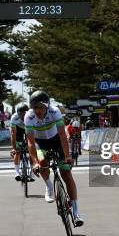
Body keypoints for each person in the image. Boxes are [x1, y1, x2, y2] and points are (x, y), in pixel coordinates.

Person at [25, 90, 84, 226]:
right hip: (41, 143)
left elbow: (63, 135)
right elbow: (30, 142)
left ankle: (76, 213)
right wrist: (34, 163)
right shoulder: (29, 116)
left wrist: (68, 156)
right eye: (35, 108)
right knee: (42, 162)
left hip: (56, 140)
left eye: (41, 108)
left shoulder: (55, 112)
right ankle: (49, 186)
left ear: (47, 107)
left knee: (66, 173)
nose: (38, 111)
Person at [10, 103, 36, 182]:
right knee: (17, 151)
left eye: (23, 114)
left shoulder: (32, 116)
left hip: (29, 128)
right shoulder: (14, 118)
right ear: (17, 113)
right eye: (20, 114)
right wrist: (14, 148)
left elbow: (35, 131)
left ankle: (32, 173)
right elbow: (13, 134)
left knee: (32, 151)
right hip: (18, 130)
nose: (22, 116)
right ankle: (17, 173)